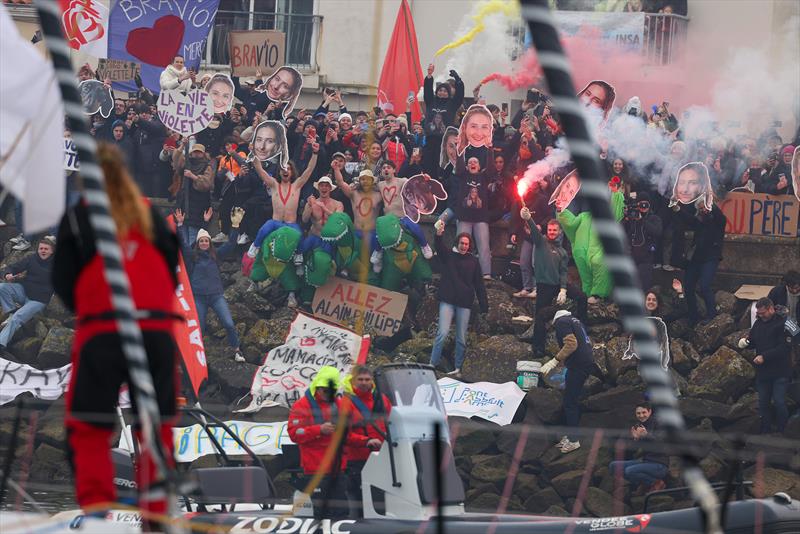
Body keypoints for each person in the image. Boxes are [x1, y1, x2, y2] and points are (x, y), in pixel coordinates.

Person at [52, 143, 179, 528]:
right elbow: (172, 270)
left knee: (89, 423)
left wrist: (90, 309)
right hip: (156, 329)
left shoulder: (80, 217)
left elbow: (63, 279)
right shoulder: (150, 215)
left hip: (105, 327)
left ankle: (95, 509)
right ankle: (155, 513)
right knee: (156, 425)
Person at [175, 207, 245, 362]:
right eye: (202, 241)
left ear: (210, 243)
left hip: (216, 296)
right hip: (198, 298)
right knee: (198, 329)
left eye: (206, 240)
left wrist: (235, 227)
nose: (204, 243)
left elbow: (231, 244)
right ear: (198, 243)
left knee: (228, 323)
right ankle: (196, 357)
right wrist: (180, 225)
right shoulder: (192, 256)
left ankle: (237, 350)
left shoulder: (216, 254)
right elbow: (182, 244)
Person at [287, 366, 352, 519]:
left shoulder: (341, 405)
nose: (327, 393)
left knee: (342, 512)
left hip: (337, 469)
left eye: (331, 390)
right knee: (322, 513)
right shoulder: (301, 406)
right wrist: (318, 430)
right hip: (315, 469)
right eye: (324, 390)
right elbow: (295, 433)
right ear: (317, 386)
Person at [519, 209, 587, 356]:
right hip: (544, 286)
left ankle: (583, 330)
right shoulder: (541, 241)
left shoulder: (562, 251)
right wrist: (529, 218)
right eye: (549, 229)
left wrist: (563, 289)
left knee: (582, 297)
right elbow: (534, 231)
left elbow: (563, 272)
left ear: (559, 231)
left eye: (554, 230)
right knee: (540, 317)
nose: (551, 232)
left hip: (557, 285)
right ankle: (538, 349)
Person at [429, 227, 488, 378]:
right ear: (458, 243)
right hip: (447, 300)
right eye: (462, 243)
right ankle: (432, 364)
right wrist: (439, 234)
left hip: (464, 303)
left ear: (470, 246)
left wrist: (484, 306)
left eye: (467, 244)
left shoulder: (474, 262)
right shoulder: (449, 255)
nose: (464, 246)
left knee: (461, 337)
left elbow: (479, 285)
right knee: (442, 333)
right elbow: (439, 247)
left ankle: (457, 368)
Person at [541, 309, 595, 453]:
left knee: (570, 402)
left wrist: (554, 361)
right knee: (571, 399)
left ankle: (573, 440)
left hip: (578, 365)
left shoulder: (561, 322)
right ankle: (571, 434)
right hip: (586, 362)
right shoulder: (575, 320)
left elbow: (571, 344)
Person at [340, 366, 391, 518]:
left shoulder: (382, 400)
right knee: (359, 499)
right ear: (353, 381)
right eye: (360, 379)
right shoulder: (345, 403)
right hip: (356, 460)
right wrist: (366, 441)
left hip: (382, 458)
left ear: (372, 381)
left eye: (367, 379)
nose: (364, 383)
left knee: (381, 498)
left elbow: (393, 423)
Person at [739, 298, 792, 434]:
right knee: (763, 403)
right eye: (758, 313)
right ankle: (765, 430)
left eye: (763, 313)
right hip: (763, 372)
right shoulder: (758, 323)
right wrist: (746, 343)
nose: (760, 315)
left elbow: (785, 347)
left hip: (780, 371)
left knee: (779, 402)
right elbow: (753, 340)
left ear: (771, 309)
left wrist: (765, 356)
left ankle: (784, 431)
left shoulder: (784, 323)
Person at [673, 196, 726, 323]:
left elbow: (720, 216)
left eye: (705, 207)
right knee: (689, 286)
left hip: (711, 257)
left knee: (705, 285)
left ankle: (711, 315)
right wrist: (677, 209)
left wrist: (710, 204)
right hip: (696, 258)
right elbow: (689, 219)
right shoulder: (699, 221)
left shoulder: (718, 221)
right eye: (701, 208)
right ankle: (693, 316)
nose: (703, 210)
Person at [0, 237, 55, 351]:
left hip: (38, 301)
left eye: (46, 249)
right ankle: (10, 311)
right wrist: (8, 274)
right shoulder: (31, 258)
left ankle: (1, 344)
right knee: (2, 287)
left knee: (16, 319)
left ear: (51, 251)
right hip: (24, 292)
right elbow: (12, 267)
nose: (43, 251)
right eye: (41, 248)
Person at [608, 402, 669, 494]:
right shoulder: (638, 426)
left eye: (644, 412)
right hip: (645, 461)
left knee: (630, 471)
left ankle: (656, 483)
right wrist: (635, 439)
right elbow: (635, 450)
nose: (641, 416)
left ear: (649, 412)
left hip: (659, 464)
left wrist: (647, 435)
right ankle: (645, 484)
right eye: (638, 413)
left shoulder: (659, 424)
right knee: (614, 466)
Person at [254, 142, 319, 223]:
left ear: (292, 172)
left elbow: (309, 169)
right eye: (283, 169)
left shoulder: (297, 185)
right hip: (275, 225)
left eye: (288, 169)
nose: (285, 171)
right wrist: (254, 153)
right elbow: (259, 169)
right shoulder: (274, 184)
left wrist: (315, 153)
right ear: (279, 172)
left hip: (291, 227)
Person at [169, 142, 213, 246]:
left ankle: (191, 259)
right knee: (182, 237)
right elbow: (176, 161)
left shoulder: (207, 167)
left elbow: (206, 184)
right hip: (184, 203)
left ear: (203, 154)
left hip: (199, 204)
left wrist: (192, 176)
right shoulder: (186, 163)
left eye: (199, 152)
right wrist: (182, 145)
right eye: (195, 152)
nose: (196, 154)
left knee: (193, 238)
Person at [624, 193, 663, 291]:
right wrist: (626, 219)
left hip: (647, 257)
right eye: (641, 204)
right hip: (632, 256)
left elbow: (657, 232)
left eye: (645, 204)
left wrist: (641, 220)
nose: (643, 207)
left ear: (649, 205)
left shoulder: (654, 218)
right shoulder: (632, 218)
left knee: (643, 286)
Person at [333, 168, 382, 233]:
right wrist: (336, 169)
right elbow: (340, 182)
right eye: (363, 179)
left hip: (373, 232)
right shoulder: (354, 193)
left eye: (368, 179)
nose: (365, 181)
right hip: (357, 232)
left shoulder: (379, 195)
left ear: (372, 181)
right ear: (359, 181)